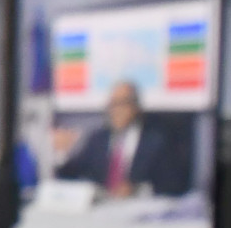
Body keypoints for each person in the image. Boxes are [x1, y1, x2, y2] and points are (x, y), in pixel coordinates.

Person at [54, 80, 191, 198]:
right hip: (103, 209)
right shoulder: (98, 139)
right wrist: (62, 154)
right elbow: (69, 177)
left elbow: (175, 185)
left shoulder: (156, 141)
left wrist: (137, 190)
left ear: (136, 107)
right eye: (112, 104)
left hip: (139, 209)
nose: (116, 110)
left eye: (122, 103)